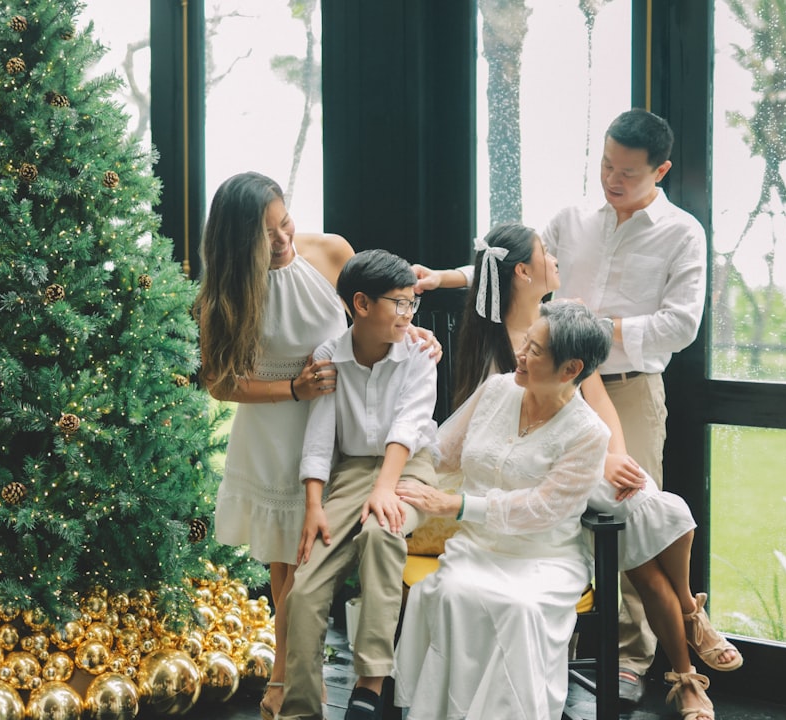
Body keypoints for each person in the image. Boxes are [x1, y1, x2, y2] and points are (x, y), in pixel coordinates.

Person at [412, 108, 709, 703]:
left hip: (622, 384)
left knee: (636, 513)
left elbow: (681, 326)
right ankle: (672, 628)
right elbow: (504, 268)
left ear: (661, 171)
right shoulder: (572, 222)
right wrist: (442, 278)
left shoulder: (683, 232)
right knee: (621, 521)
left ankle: (645, 653)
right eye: (605, 164)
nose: (612, 179)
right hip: (555, 377)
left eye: (627, 171)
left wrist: (588, 333)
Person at [194, 172, 438, 720]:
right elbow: (219, 381)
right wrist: (293, 388)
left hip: (343, 425)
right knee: (288, 557)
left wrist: (412, 330)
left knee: (329, 554)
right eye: (266, 235)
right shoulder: (225, 295)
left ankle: (334, 677)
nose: (283, 240)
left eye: (286, 223)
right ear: (237, 242)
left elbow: (372, 315)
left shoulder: (330, 253)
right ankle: (289, 677)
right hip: (279, 421)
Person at [392, 299, 612, 719]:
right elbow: (442, 452)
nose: (521, 355)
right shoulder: (496, 390)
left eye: (535, 350)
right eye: (525, 342)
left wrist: (455, 504)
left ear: (571, 369)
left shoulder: (589, 434)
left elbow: (541, 509)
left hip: (543, 557)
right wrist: (392, 472)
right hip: (477, 548)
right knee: (451, 594)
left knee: (519, 609)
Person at [278, 249, 439, 720]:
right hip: (349, 472)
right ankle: (300, 708)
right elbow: (320, 436)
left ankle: (370, 684)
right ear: (362, 304)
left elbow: (408, 427)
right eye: (400, 303)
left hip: (409, 467)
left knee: (381, 531)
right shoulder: (330, 357)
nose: (409, 315)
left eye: (413, 304)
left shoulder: (418, 352)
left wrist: (386, 489)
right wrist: (314, 504)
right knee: (304, 590)